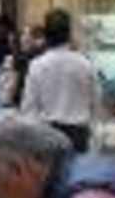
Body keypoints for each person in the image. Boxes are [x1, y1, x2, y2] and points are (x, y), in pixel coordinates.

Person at [18, 9, 101, 154]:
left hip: (47, 135)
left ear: (46, 35)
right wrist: (94, 139)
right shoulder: (85, 64)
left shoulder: (37, 65)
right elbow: (95, 103)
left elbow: (29, 108)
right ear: (69, 34)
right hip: (78, 136)